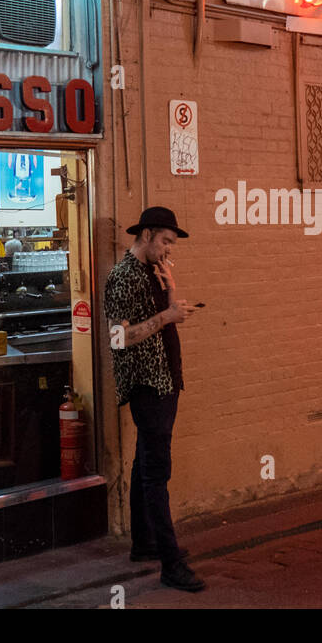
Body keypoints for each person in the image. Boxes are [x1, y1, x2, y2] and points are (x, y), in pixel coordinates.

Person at [104, 206, 204, 593]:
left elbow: (165, 315)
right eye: (164, 240)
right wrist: (167, 317)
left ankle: (144, 543)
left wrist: (172, 295)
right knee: (157, 471)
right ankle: (170, 561)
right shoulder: (124, 277)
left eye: (171, 244)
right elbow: (117, 339)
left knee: (145, 461)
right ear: (146, 235)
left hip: (165, 380)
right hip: (148, 384)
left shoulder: (152, 272)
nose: (167, 249)